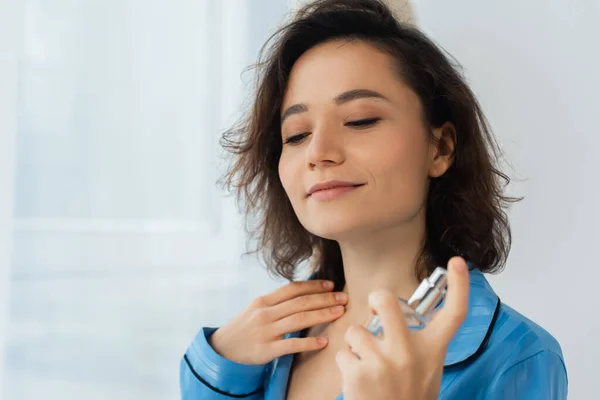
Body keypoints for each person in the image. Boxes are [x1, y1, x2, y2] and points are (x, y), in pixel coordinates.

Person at [179, 0, 568, 398]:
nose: (318, 152)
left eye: (360, 120)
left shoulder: (517, 357)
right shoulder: (257, 351)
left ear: (441, 147)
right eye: (296, 134)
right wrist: (218, 373)